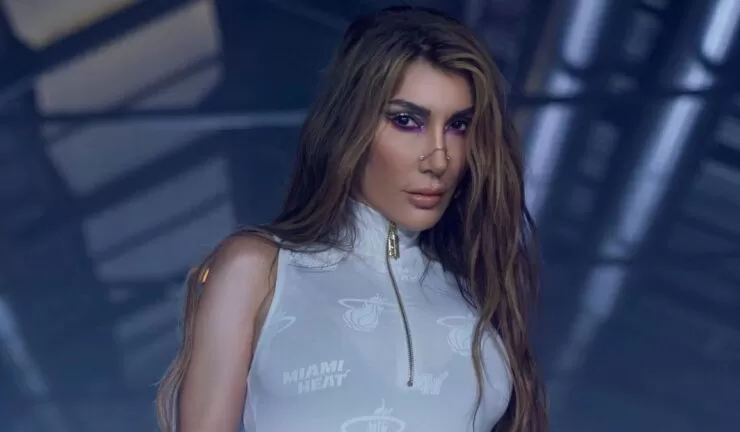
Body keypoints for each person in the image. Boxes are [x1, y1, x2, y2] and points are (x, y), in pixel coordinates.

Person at [155, 6, 547, 432]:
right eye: (406, 121)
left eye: (458, 125)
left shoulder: (477, 292)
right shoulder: (261, 269)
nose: (439, 159)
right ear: (350, 127)